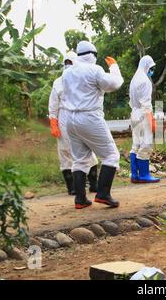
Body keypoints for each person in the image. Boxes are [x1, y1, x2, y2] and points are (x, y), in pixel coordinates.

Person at [61, 41, 124, 209]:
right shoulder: (94, 70)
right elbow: (114, 84)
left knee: (80, 160)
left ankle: (80, 199)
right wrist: (114, 68)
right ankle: (103, 194)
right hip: (89, 117)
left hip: (70, 120)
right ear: (93, 55)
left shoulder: (67, 73)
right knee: (111, 156)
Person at [48, 52, 99, 196]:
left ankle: (94, 184)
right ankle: (73, 188)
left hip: (81, 116)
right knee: (65, 152)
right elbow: (53, 104)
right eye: (66, 62)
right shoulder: (58, 82)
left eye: (70, 62)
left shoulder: (83, 78)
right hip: (63, 117)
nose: (68, 65)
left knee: (87, 149)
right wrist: (53, 123)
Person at [129, 55, 159, 183]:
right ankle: (144, 175)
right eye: (151, 68)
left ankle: (134, 175)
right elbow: (146, 104)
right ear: (147, 66)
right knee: (146, 143)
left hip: (134, 112)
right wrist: (151, 120)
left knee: (136, 143)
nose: (152, 71)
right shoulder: (145, 81)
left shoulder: (134, 78)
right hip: (143, 113)